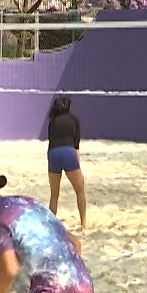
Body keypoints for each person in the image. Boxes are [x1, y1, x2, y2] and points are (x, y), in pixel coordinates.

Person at [47, 96, 87, 230]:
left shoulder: (52, 122)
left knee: (54, 195)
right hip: (68, 152)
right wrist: (77, 165)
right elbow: (76, 145)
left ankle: (52, 225)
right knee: (80, 190)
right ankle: (83, 224)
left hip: (53, 153)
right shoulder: (74, 120)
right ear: (68, 107)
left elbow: (51, 142)